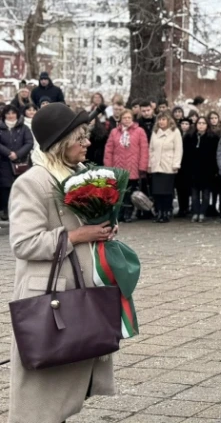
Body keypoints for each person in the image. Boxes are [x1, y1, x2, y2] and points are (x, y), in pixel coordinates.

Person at [9, 104, 119, 423]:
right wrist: (78, 235)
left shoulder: (78, 176)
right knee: (41, 394)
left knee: (65, 379)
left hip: (76, 290)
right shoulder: (32, 183)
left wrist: (103, 229)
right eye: (80, 137)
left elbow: (83, 228)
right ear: (60, 143)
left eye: (86, 136)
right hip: (49, 299)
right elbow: (24, 243)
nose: (87, 143)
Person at [104, 109, 149, 222]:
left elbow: (144, 150)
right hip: (118, 168)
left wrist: (142, 166)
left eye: (129, 118)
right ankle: (119, 214)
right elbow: (109, 150)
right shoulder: (114, 132)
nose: (127, 120)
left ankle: (128, 214)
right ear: (121, 119)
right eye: (125, 118)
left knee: (130, 192)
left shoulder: (139, 131)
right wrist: (108, 167)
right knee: (119, 193)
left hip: (133, 167)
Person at [0, 105, 34, 221]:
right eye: (8, 113)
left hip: (20, 162)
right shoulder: (1, 127)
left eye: (13, 113)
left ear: (17, 114)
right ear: (4, 115)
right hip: (4, 162)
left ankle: (20, 209)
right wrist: (8, 153)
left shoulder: (24, 128)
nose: (10, 116)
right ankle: (6, 210)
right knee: (5, 187)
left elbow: (29, 142)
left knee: (20, 185)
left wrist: (17, 154)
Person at [148, 113, 183, 223]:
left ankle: (166, 212)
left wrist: (176, 164)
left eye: (163, 119)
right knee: (157, 192)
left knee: (167, 192)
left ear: (168, 120)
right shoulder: (155, 132)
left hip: (168, 165)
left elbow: (178, 149)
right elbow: (151, 149)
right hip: (156, 165)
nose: (161, 122)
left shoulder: (175, 132)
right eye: (159, 120)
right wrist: (149, 164)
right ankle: (159, 212)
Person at [185, 116, 218, 222]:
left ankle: (203, 212)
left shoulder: (213, 138)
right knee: (194, 194)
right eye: (199, 123)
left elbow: (215, 155)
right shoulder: (189, 137)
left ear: (207, 125)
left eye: (204, 123)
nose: (201, 125)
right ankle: (195, 212)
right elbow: (186, 155)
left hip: (208, 171)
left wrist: (214, 170)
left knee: (206, 194)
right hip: (193, 170)